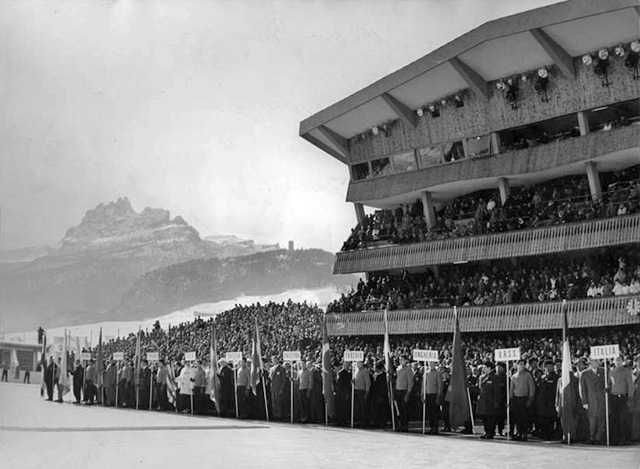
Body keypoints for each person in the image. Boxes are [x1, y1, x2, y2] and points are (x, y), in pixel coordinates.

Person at [609, 355, 634, 445]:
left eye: (619, 360)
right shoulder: (611, 372)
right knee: (614, 418)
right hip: (613, 397)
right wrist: (608, 389)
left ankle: (622, 438)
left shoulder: (626, 371)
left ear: (622, 361)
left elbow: (630, 385)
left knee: (622, 419)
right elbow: (611, 384)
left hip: (622, 397)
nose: (617, 362)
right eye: (616, 360)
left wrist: (630, 397)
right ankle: (615, 438)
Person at [579, 358, 606, 445]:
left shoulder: (603, 371)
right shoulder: (585, 373)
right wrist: (584, 402)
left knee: (601, 419)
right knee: (592, 420)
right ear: (590, 363)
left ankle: (598, 437)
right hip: (591, 400)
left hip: (602, 399)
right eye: (595, 361)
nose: (597, 363)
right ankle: (592, 437)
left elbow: (608, 383)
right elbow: (582, 389)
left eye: (598, 361)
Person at [510, 359, 535, 441]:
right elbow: (511, 389)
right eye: (519, 364)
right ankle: (519, 432)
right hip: (516, 399)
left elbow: (532, 387)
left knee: (524, 417)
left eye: (523, 364)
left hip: (525, 398)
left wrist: (530, 398)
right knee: (517, 417)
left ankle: (524, 433)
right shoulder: (513, 376)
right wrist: (510, 399)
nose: (521, 366)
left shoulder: (528, 375)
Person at [536, 360, 559, 440]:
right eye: (547, 367)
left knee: (551, 419)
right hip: (542, 403)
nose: (549, 368)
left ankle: (551, 435)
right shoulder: (542, 377)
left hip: (551, 401)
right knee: (543, 419)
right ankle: (544, 434)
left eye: (551, 366)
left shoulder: (556, 377)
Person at [477, 362, 499, 439]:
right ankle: (486, 432)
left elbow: (497, 391)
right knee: (485, 418)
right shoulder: (482, 377)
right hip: (484, 401)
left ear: (489, 368)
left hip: (491, 401)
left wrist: (496, 402)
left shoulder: (495, 377)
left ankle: (490, 432)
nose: (483, 369)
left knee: (490, 418)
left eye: (485, 367)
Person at [423, 360, 444, 434]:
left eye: (432, 363)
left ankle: (435, 427)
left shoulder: (438, 373)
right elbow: (424, 384)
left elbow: (440, 385)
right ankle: (431, 427)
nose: (431, 365)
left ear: (435, 364)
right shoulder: (426, 373)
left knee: (435, 412)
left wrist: (439, 396)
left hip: (434, 394)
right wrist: (422, 393)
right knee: (429, 412)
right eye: (430, 363)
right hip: (428, 394)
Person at [395, 355, 413, 432]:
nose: (400, 361)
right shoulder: (398, 368)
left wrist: (408, 393)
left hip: (404, 391)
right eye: (400, 360)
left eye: (402, 359)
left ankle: (405, 426)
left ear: (406, 360)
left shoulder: (408, 370)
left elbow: (410, 382)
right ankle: (400, 424)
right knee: (399, 410)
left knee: (404, 410)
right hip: (398, 390)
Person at [352, 361, 371, 428]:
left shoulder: (365, 371)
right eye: (357, 363)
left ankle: (364, 422)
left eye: (359, 363)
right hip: (356, 390)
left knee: (363, 408)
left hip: (362, 391)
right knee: (357, 408)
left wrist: (367, 392)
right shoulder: (356, 370)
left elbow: (368, 382)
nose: (357, 364)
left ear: (362, 363)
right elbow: (355, 379)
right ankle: (358, 421)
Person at [269, 356, 287, 420]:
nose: (274, 361)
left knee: (279, 402)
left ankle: (280, 415)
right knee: (274, 402)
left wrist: (281, 389)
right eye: (273, 360)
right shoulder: (271, 369)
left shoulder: (282, 368)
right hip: (273, 388)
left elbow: (284, 380)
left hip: (278, 388)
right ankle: (274, 415)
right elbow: (270, 378)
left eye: (275, 359)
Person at [335, 361, 352, 426]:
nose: (348, 367)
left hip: (345, 392)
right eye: (347, 365)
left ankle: (344, 419)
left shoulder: (348, 373)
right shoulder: (341, 373)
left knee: (345, 407)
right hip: (342, 392)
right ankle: (341, 420)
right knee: (342, 407)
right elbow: (340, 384)